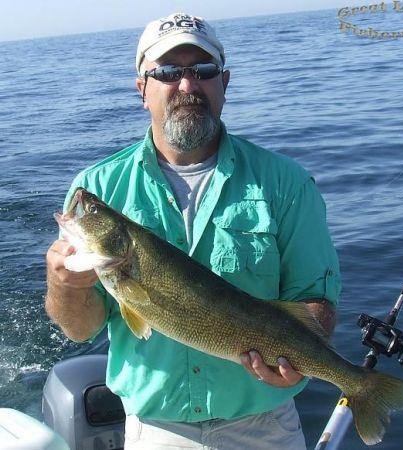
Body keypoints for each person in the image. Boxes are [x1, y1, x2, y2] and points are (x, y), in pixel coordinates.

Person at [45, 12, 341, 450]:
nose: (187, 85)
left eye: (203, 70)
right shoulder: (99, 187)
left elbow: (314, 302)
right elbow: (81, 329)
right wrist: (64, 285)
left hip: (265, 426)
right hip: (156, 429)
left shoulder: (285, 183)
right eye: (167, 72)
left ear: (224, 82)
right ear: (142, 88)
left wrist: (299, 361)